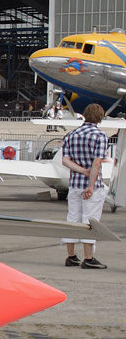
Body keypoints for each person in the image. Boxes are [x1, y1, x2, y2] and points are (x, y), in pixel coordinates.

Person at [61, 103, 109, 269]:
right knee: (90, 220)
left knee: (73, 218)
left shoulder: (71, 135)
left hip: (74, 184)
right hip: (91, 186)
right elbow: (97, 163)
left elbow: (65, 161)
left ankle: (71, 255)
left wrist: (81, 170)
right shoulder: (100, 136)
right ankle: (88, 258)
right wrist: (91, 184)